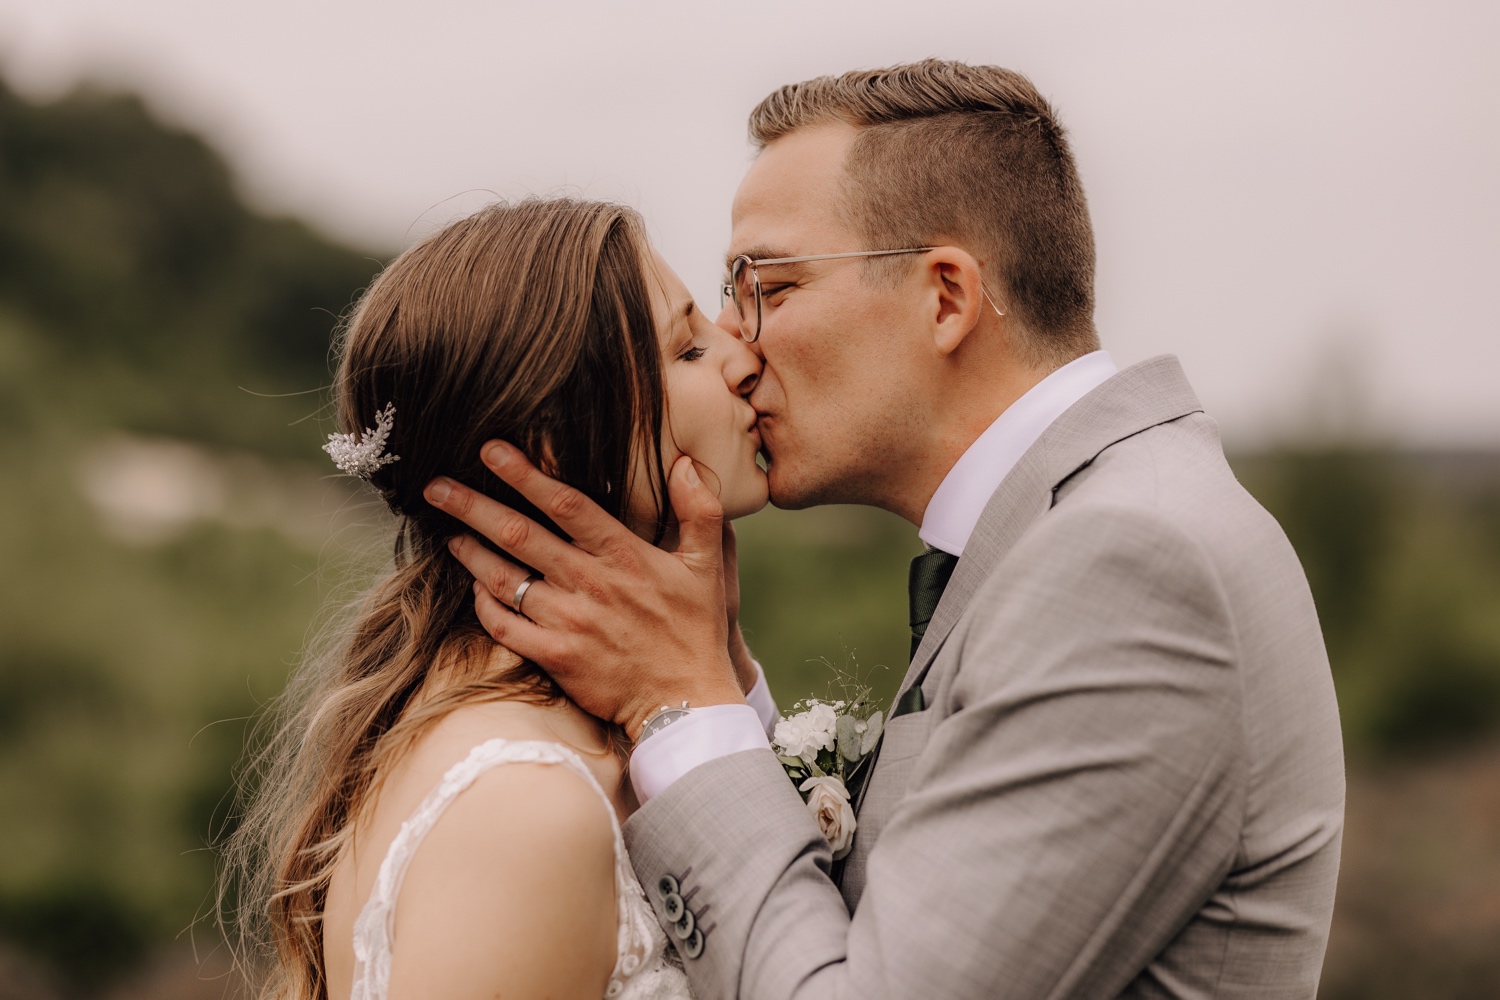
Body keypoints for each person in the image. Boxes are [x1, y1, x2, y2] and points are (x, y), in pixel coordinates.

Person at [427, 61, 1347, 998]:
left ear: (945, 297)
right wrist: (727, 687)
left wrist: (682, 706)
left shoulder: (1131, 564)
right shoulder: (1079, 530)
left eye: (770, 288)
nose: (739, 347)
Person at [223, 198, 782, 1000]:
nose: (741, 359)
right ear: (552, 447)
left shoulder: (591, 733)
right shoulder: (527, 806)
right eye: (688, 349)